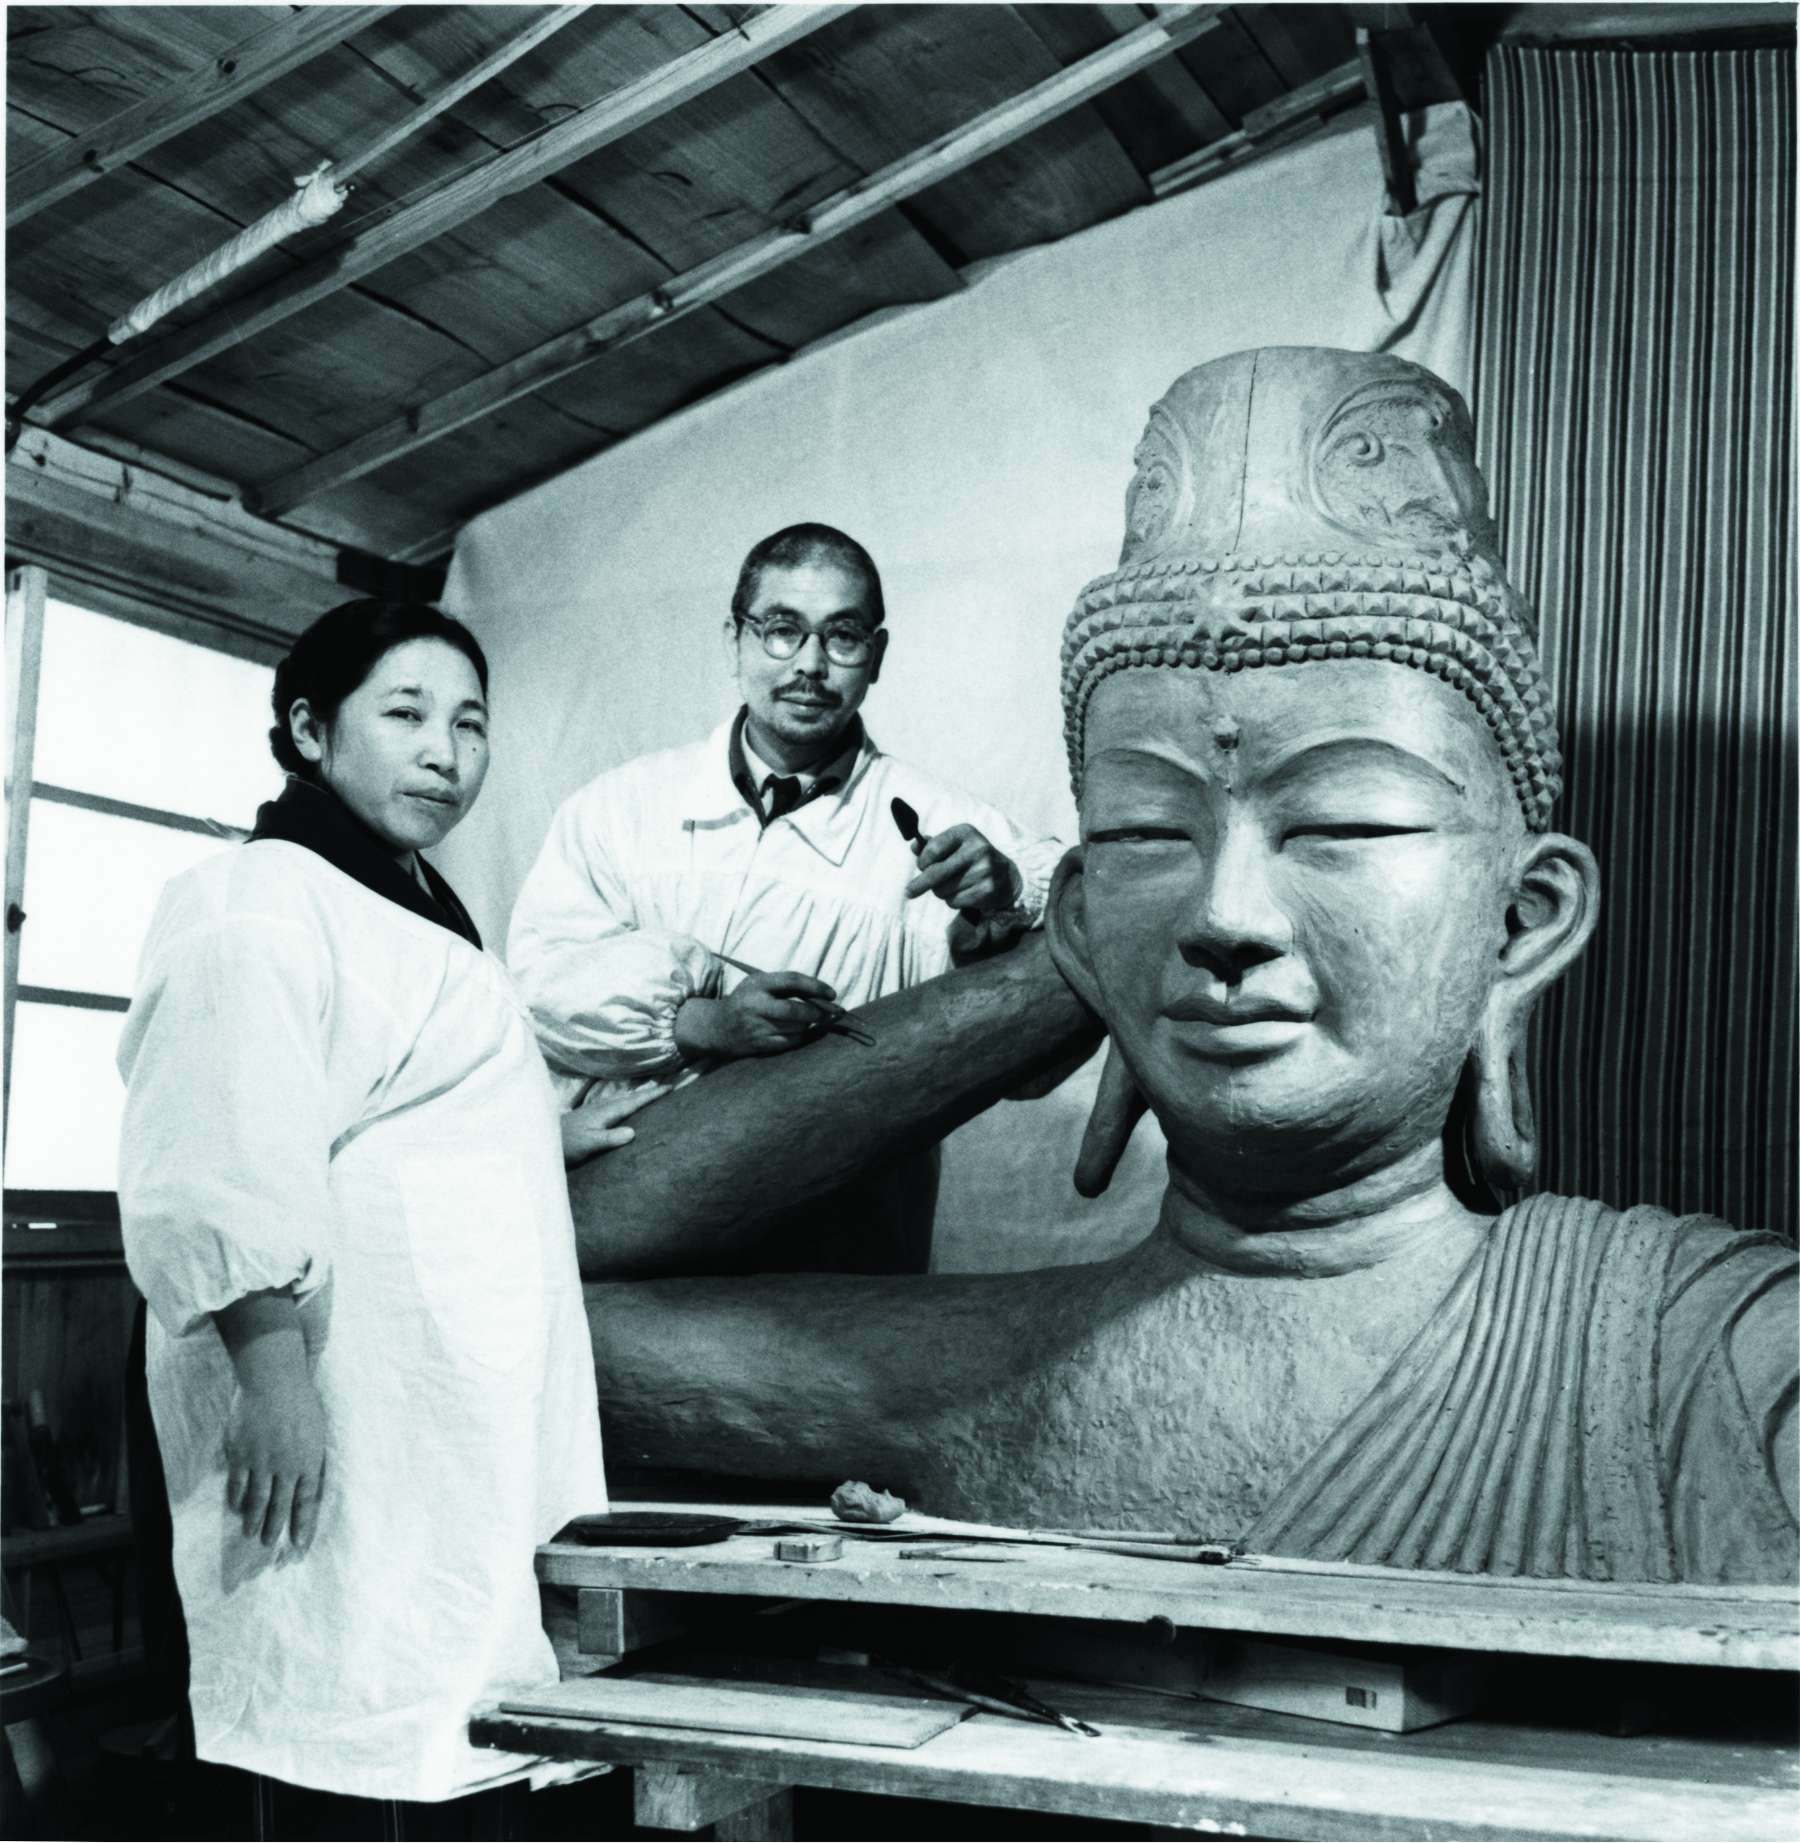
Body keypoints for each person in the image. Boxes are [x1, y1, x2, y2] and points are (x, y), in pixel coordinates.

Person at [575, 350, 1796, 1583]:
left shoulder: (1716, 1361)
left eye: (1341, 824)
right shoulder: (979, 1375)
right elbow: (551, 1277)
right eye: (1150, 832)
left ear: (1522, 923)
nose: (1225, 913)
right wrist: (1066, 962)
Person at [117, 600, 635, 1834]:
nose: (445, 751)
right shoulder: (254, 895)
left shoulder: (410, 904)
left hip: (444, 1399)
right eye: (404, 714)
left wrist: (527, 1132)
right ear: (308, 730)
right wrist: (273, 1371)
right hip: (327, 1376)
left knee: (431, 1701)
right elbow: (220, 1141)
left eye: (469, 723)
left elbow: (380, 1086)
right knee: (331, 1707)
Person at [507, 523, 1065, 1273]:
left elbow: (1034, 1030)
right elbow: (539, 992)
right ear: (734, 638)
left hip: (835, 1250)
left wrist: (1007, 901)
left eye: (843, 637)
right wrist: (703, 1022)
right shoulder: (619, 809)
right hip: (622, 1224)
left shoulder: (950, 829)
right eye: (781, 631)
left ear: (879, 655)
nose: (809, 665)